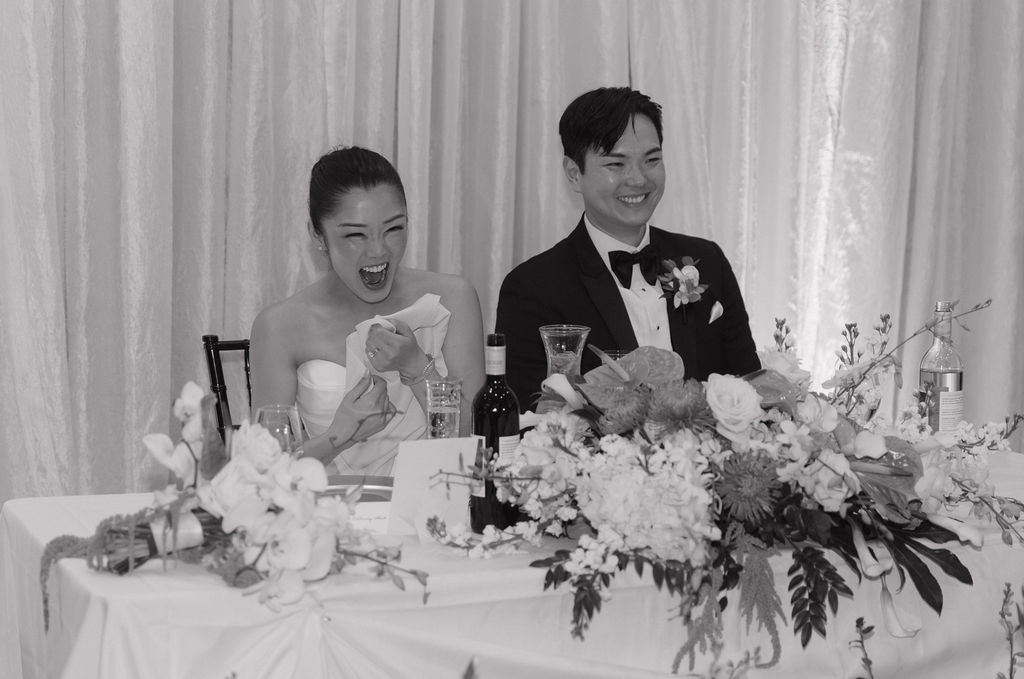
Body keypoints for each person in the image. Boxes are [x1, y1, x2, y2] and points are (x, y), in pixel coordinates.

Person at [495, 87, 760, 411]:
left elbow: (749, 387)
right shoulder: (534, 287)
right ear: (574, 173)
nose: (638, 179)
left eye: (651, 160)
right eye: (616, 164)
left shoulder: (707, 261)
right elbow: (528, 419)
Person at [250, 146, 485, 475]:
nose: (378, 250)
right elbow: (261, 472)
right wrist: (339, 435)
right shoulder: (279, 326)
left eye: (394, 229)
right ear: (318, 236)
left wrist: (418, 369)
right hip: (328, 514)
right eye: (355, 235)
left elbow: (479, 440)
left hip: (436, 509)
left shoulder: (454, 297)